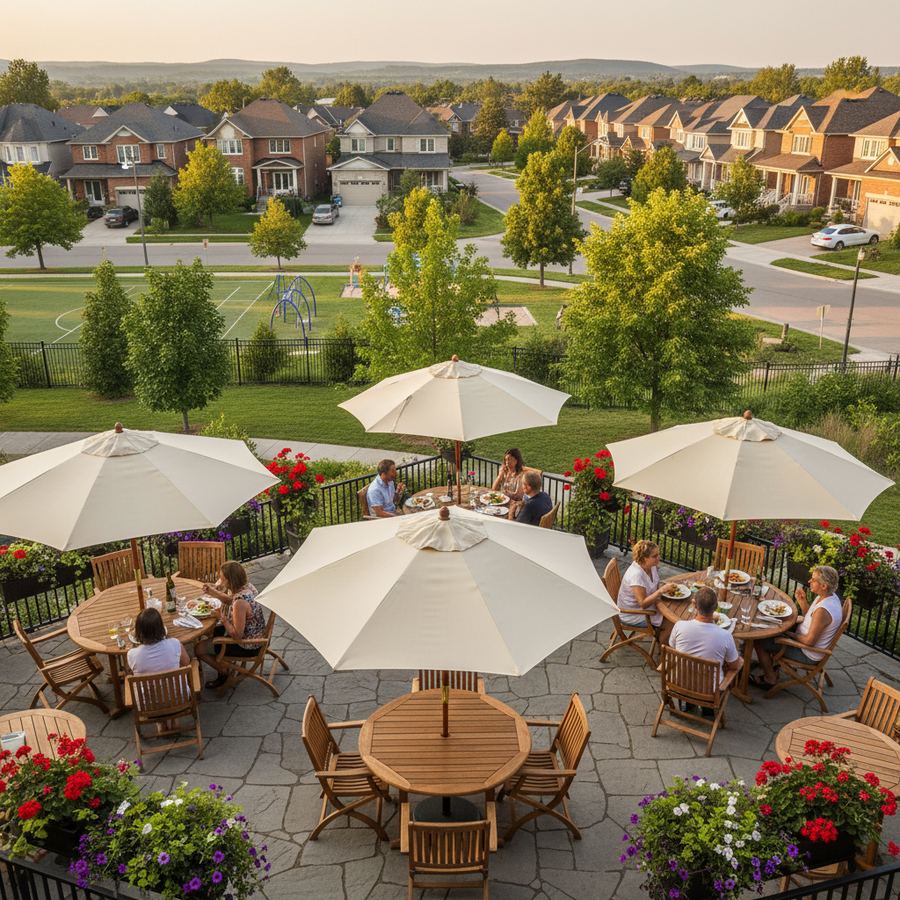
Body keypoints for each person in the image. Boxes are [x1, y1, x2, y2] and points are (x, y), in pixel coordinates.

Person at [751, 565, 844, 690]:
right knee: (774, 625)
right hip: (806, 641)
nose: (809, 581)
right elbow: (812, 619)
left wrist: (788, 634)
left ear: (824, 586)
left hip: (807, 654)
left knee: (759, 641)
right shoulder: (830, 597)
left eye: (814, 580)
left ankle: (770, 678)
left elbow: (809, 641)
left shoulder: (823, 610)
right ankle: (769, 664)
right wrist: (803, 602)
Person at [196, 561, 268, 688]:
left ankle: (223, 672)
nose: (220, 582)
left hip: (248, 646)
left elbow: (237, 636)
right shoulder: (248, 587)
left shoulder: (239, 603)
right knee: (213, 631)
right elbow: (230, 599)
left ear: (230, 581)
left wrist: (222, 618)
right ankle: (221, 662)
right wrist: (213, 590)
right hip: (256, 635)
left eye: (222, 579)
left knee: (198, 649)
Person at [670, 587, 741, 682]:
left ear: (694, 605)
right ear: (716, 607)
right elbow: (734, 666)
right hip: (709, 694)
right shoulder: (726, 636)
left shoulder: (680, 625)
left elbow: (673, 647)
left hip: (679, 684)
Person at [617, 540, 676, 629]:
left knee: (673, 608)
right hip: (635, 614)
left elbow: (655, 584)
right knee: (672, 621)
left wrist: (663, 586)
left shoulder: (651, 566)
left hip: (649, 606)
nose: (658, 557)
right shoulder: (636, 575)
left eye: (658, 554)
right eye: (654, 556)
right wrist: (661, 591)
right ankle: (662, 640)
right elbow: (643, 604)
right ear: (644, 558)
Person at [126, 607, 189, 675]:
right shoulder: (175, 644)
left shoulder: (132, 655)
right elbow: (186, 663)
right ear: (161, 627)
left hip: (148, 686)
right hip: (175, 685)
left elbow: (132, 673)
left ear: (138, 631)